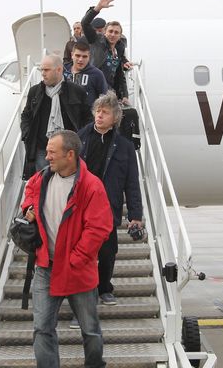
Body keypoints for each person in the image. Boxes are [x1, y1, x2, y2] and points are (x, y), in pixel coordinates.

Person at [21, 130, 112, 368]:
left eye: (52, 152)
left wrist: (76, 258)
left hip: (77, 269)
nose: (47, 156)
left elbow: (99, 228)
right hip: (45, 267)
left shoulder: (92, 186)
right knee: (42, 329)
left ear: (69, 154)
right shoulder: (42, 177)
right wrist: (28, 209)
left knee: (90, 331)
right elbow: (29, 192)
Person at [77, 91, 143, 305]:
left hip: (107, 208)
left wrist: (135, 215)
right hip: (82, 205)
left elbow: (132, 183)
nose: (99, 116)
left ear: (115, 118)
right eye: (97, 111)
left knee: (107, 253)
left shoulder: (125, 147)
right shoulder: (80, 139)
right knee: (84, 252)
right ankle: (86, 295)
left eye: (105, 113)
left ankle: (104, 288)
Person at [20, 54, 92, 180]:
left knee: (68, 185)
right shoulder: (35, 92)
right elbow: (26, 116)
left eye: (46, 70)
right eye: (41, 70)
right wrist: (27, 134)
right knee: (43, 187)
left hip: (68, 151)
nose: (43, 73)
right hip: (42, 150)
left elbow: (87, 118)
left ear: (59, 69)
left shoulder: (76, 91)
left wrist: (81, 138)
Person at [81, 0, 129, 104]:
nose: (113, 34)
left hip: (110, 92)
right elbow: (85, 23)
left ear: (120, 35)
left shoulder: (119, 49)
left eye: (116, 32)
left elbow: (119, 75)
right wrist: (98, 8)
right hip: (94, 88)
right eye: (110, 31)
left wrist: (124, 95)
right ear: (105, 32)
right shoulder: (97, 40)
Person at [64, 41, 108, 108]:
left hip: (88, 116)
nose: (81, 59)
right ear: (72, 55)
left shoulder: (97, 74)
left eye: (84, 56)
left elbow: (104, 99)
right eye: (77, 56)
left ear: (89, 57)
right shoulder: (62, 70)